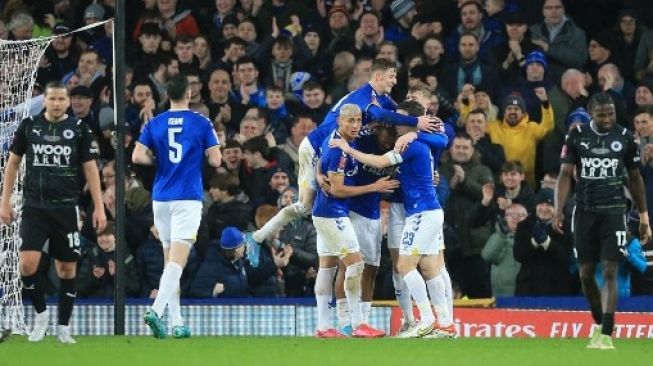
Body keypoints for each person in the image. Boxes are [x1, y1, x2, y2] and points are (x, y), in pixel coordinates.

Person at [246, 58, 439, 251]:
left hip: (332, 147)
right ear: (378, 76)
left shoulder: (385, 101)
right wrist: (417, 121)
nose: (394, 82)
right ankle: (258, 237)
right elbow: (379, 117)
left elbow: (399, 121)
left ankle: (259, 236)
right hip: (315, 145)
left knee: (306, 206)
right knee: (304, 205)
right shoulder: (363, 96)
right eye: (391, 77)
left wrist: (416, 130)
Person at [0, 81, 106, 344]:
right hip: (34, 207)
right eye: (53, 99)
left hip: (66, 208)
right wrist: (4, 202)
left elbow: (91, 169)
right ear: (44, 100)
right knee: (26, 264)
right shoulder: (29, 126)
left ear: (68, 102)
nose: (57, 103)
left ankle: (63, 326)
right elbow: (12, 164)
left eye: (61, 99)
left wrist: (99, 207)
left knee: (67, 269)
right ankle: (41, 315)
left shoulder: (80, 129)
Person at [329, 106, 449, 338]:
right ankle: (445, 324)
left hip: (421, 212)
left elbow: (381, 162)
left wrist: (346, 149)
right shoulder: (423, 142)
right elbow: (442, 140)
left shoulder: (410, 144)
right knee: (430, 267)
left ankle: (426, 320)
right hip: (428, 211)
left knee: (404, 266)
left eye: (400, 121)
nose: (395, 125)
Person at [554, 92, 651, 350]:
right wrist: (558, 209)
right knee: (586, 274)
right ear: (590, 113)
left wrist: (643, 217)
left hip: (614, 211)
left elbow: (635, 179)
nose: (607, 119)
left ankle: (606, 332)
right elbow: (565, 175)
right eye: (602, 114)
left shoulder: (626, 138)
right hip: (584, 211)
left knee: (610, 269)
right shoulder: (576, 135)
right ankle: (600, 322)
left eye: (611, 114)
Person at [132, 74, 222, 339]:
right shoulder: (201, 122)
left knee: (170, 261)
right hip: (187, 197)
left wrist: (159, 162)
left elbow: (137, 155)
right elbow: (216, 161)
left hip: (160, 197)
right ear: (190, 93)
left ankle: (177, 322)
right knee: (178, 262)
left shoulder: (155, 122)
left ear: (167, 95)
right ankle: (156, 311)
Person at [312, 104, 397, 338]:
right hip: (333, 211)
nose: (355, 125)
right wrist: (375, 187)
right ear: (340, 121)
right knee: (354, 265)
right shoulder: (340, 150)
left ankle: (324, 327)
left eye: (358, 121)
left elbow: (319, 161)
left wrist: (319, 175)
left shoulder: (337, 141)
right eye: (350, 121)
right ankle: (357, 324)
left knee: (328, 267)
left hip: (329, 211)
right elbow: (338, 190)